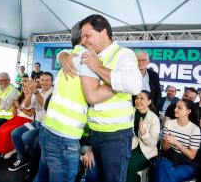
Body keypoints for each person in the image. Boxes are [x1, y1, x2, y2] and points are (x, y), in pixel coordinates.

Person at [60, 15, 142, 182]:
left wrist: (98, 67)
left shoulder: (123, 54)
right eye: (82, 36)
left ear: (104, 32)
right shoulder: (90, 54)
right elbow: (65, 53)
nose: (83, 40)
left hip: (116, 136)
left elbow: (134, 85)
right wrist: (62, 57)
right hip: (95, 133)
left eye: (87, 35)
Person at [34, 22, 114, 182]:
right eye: (91, 35)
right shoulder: (87, 60)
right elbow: (94, 96)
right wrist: (119, 86)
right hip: (64, 138)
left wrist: (62, 55)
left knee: (42, 177)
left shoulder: (71, 55)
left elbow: (62, 53)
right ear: (84, 38)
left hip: (49, 131)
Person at [9, 72, 54, 172]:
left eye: (47, 80)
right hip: (36, 122)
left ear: (52, 82)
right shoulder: (37, 91)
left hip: (46, 125)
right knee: (15, 133)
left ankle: (35, 160)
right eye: (42, 80)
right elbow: (27, 105)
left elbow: (45, 106)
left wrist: (35, 92)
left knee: (26, 137)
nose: (44, 82)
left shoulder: (54, 93)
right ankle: (23, 158)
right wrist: (30, 92)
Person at [150, 99, 201, 182]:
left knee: (168, 175)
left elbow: (192, 155)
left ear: (188, 111)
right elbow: (165, 148)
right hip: (169, 158)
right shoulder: (169, 124)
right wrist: (168, 142)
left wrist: (176, 142)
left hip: (188, 162)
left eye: (179, 108)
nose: (175, 109)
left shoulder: (195, 129)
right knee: (161, 169)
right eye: (175, 107)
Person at [127, 90, 160, 182]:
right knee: (116, 163)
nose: (138, 100)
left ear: (149, 102)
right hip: (128, 146)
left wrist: (143, 132)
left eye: (142, 98)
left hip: (146, 150)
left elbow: (152, 143)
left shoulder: (154, 118)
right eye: (137, 98)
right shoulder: (129, 111)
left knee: (130, 166)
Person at [0, 82, 35, 157]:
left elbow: (31, 114)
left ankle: (12, 149)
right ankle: (2, 150)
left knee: (7, 132)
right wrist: (14, 106)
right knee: (0, 130)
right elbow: (15, 114)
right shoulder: (20, 98)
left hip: (27, 120)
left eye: (27, 86)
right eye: (24, 86)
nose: (25, 88)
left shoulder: (33, 97)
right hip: (17, 118)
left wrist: (19, 107)